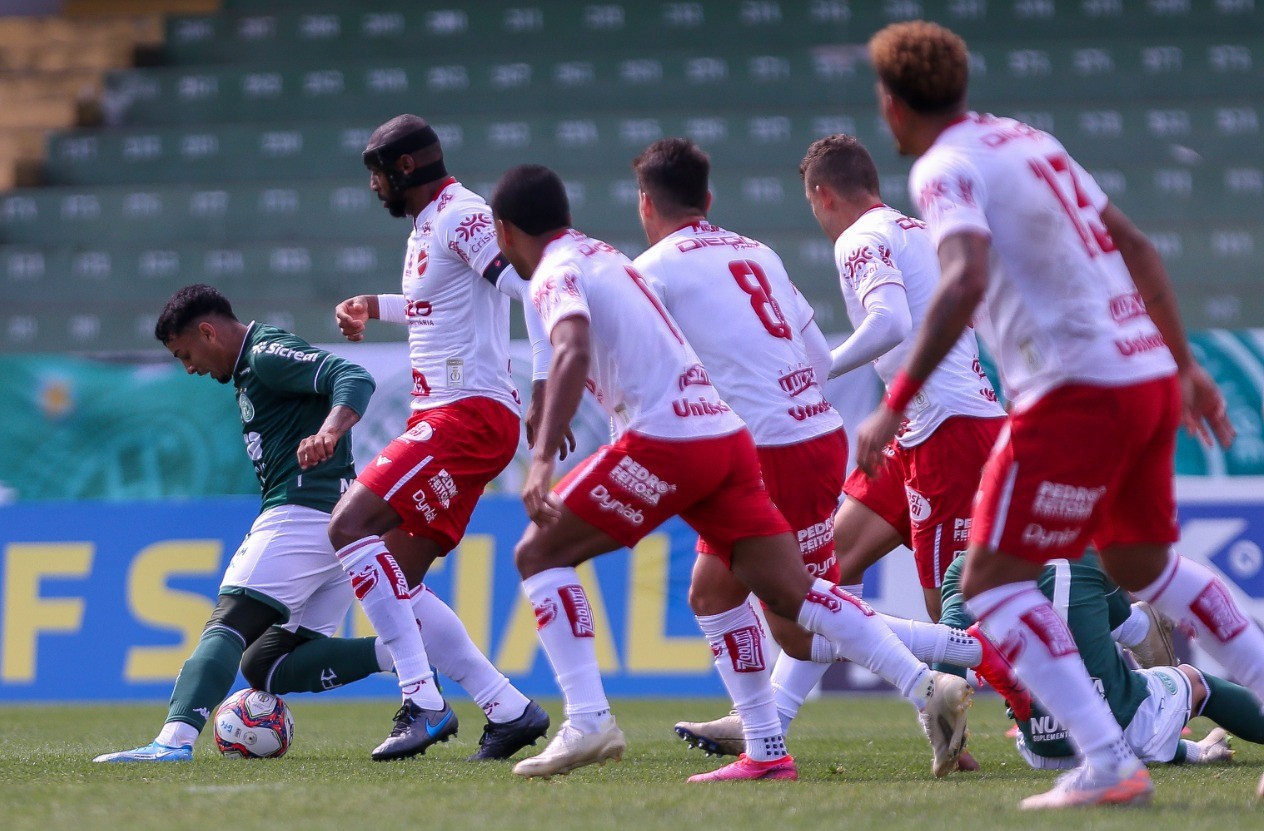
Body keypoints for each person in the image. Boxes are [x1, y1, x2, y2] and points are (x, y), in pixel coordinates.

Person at [856, 21, 1255, 809]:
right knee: (1149, 568)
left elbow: (964, 278)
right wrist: (1185, 367)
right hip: (1140, 373)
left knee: (990, 582)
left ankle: (1108, 759)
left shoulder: (943, 169)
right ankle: (1116, 750)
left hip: (1073, 386)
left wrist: (892, 403)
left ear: (893, 106)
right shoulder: (1030, 143)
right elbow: (1137, 248)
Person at [489, 163, 972, 782]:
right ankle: (788, 742)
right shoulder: (625, 256)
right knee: (753, 595)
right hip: (738, 435)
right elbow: (817, 357)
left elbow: (573, 345)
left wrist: (543, 458)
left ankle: (588, 718)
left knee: (538, 555)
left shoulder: (619, 266)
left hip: (693, 438)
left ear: (504, 232)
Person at [627, 137, 977, 779]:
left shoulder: (654, 267)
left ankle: (956, 672)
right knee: (793, 592)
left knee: (810, 609)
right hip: (848, 432)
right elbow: (812, 351)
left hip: (901, 430)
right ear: (708, 199)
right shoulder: (762, 249)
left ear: (644, 203)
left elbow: (888, 323)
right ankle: (767, 733)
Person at [330, 114, 549, 762]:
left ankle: (422, 702)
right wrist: (376, 303)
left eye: (376, 174)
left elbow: (534, 293)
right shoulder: (431, 224)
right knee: (396, 577)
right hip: (452, 415)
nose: (373, 188)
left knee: (348, 528)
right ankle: (509, 708)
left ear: (403, 169)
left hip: (466, 414)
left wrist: (544, 390)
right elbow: (440, 302)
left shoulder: (464, 215)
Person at [95, 284, 389, 762]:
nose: (189, 368)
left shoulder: (266, 352)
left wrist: (328, 432)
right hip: (333, 523)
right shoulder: (251, 369)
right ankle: (403, 655)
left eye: (185, 353)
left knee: (229, 622)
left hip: (301, 512)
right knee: (268, 664)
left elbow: (352, 374)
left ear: (208, 332)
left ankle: (173, 741)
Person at [939, 551, 1253, 771]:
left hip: (1042, 746)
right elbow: (1118, 616)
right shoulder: (1093, 552)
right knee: (1195, 681)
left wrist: (949, 744)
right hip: (1117, 723)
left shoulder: (966, 566)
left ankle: (1197, 751)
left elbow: (948, 644)